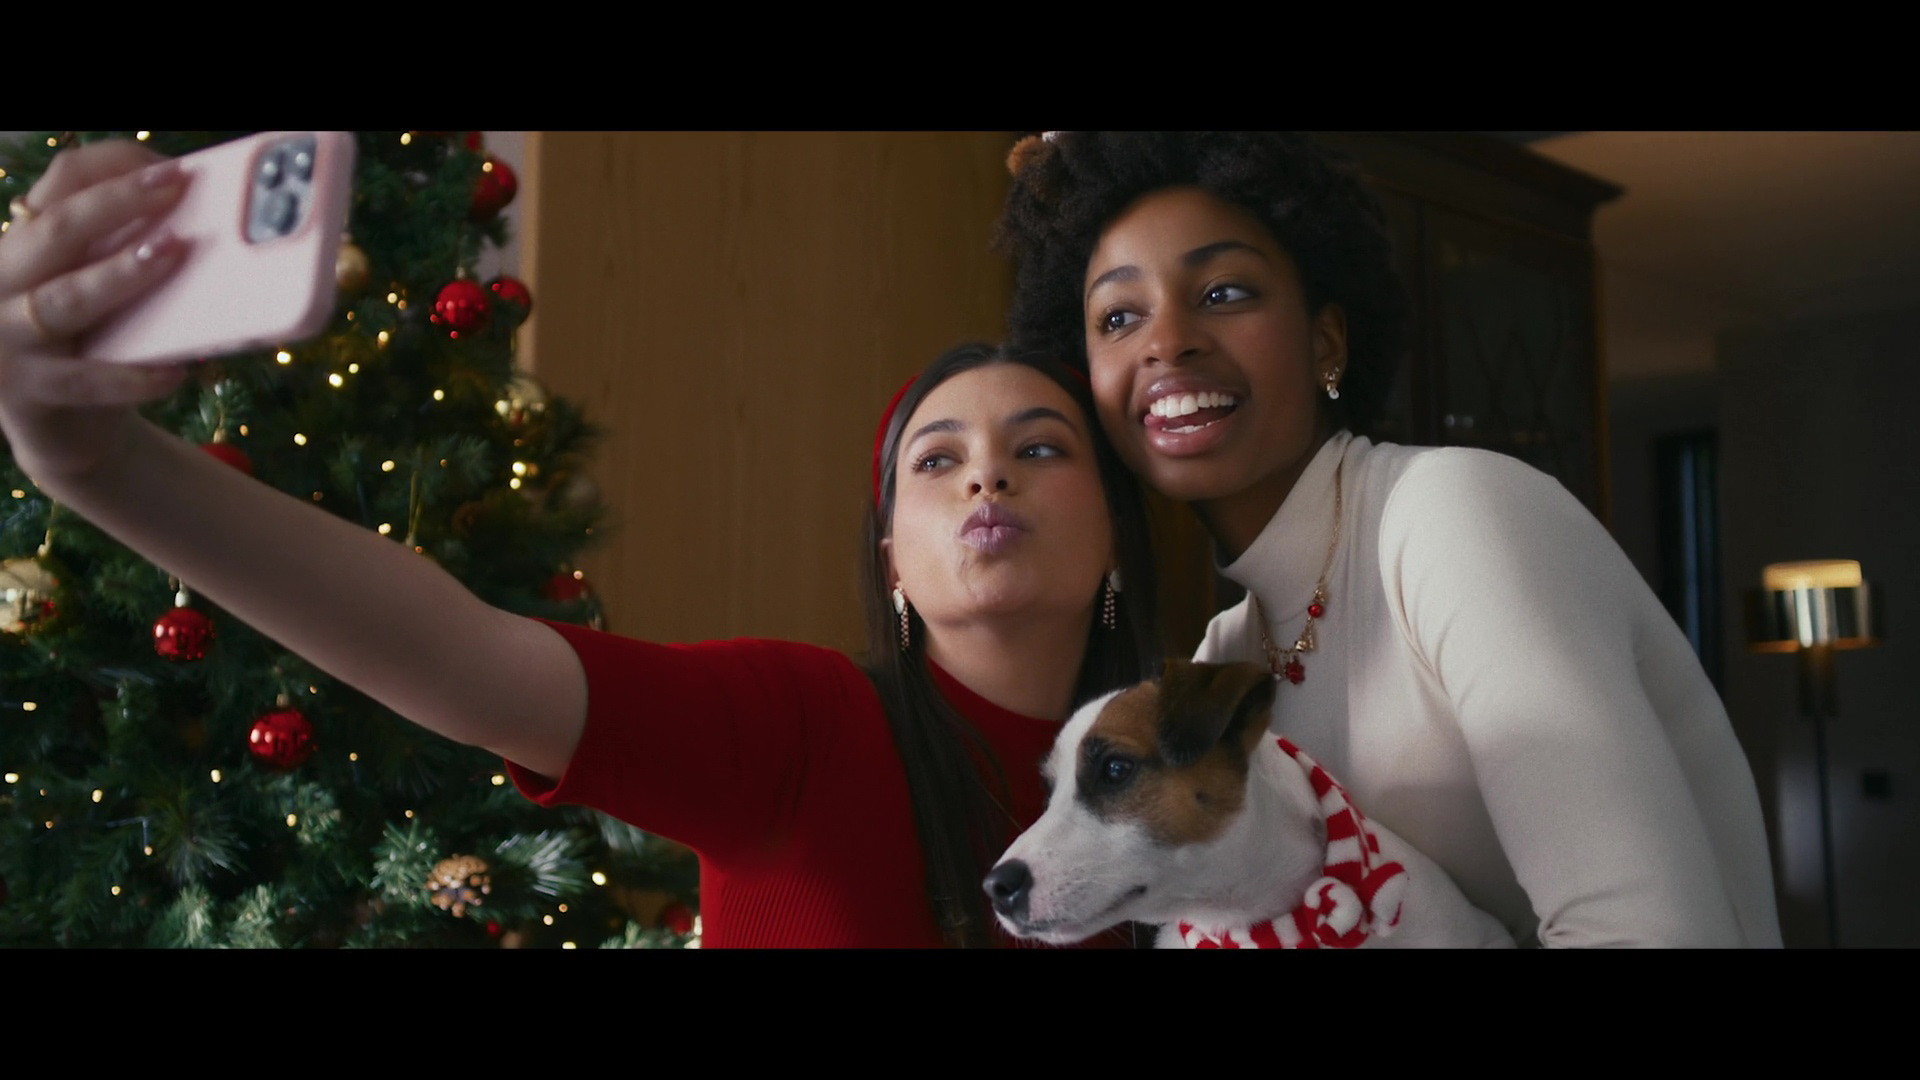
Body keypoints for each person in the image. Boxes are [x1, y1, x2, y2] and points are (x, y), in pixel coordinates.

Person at [0, 138, 1160, 948]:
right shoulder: (803, 726)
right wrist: (101, 467)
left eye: (1041, 447)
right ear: (892, 558)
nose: (987, 474)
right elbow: (458, 654)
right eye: (937, 460)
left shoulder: (1192, 784)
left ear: (1117, 532)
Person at [996, 131, 1783, 947]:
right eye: (1119, 317)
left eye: (1224, 292)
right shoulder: (1225, 653)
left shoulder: (1451, 515)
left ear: (1327, 341)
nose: (1167, 341)